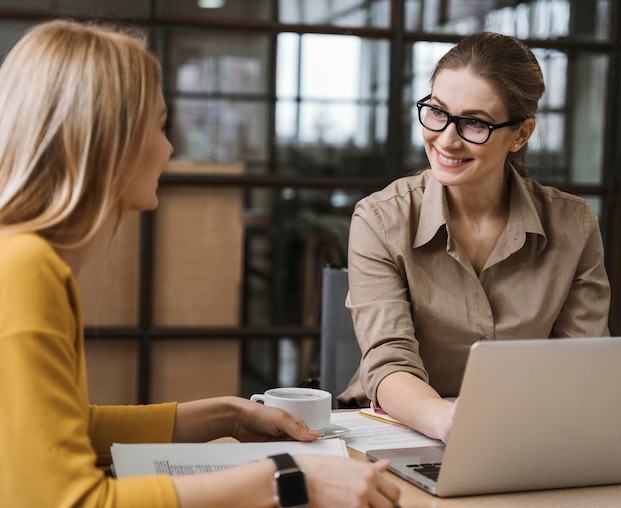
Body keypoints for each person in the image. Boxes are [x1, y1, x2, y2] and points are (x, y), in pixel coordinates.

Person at [0, 20, 401, 508]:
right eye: (159, 125)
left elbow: (72, 429)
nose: (169, 148)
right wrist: (290, 479)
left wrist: (226, 416)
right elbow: (66, 501)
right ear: (109, 140)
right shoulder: (24, 270)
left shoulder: (23, 257)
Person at [338, 32, 611, 442]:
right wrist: (456, 425)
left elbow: (581, 367)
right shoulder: (380, 219)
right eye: (437, 112)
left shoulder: (573, 224)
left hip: (524, 435)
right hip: (399, 429)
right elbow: (390, 362)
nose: (446, 139)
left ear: (520, 134)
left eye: (475, 123)